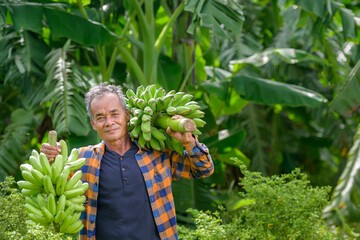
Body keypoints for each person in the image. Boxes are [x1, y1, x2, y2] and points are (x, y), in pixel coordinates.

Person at [41, 83, 214, 240]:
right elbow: (54, 192)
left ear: (127, 115)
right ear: (93, 124)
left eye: (114, 114)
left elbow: (204, 169)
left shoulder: (157, 154)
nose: (109, 122)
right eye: (100, 117)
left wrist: (189, 142)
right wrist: (52, 160)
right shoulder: (82, 159)